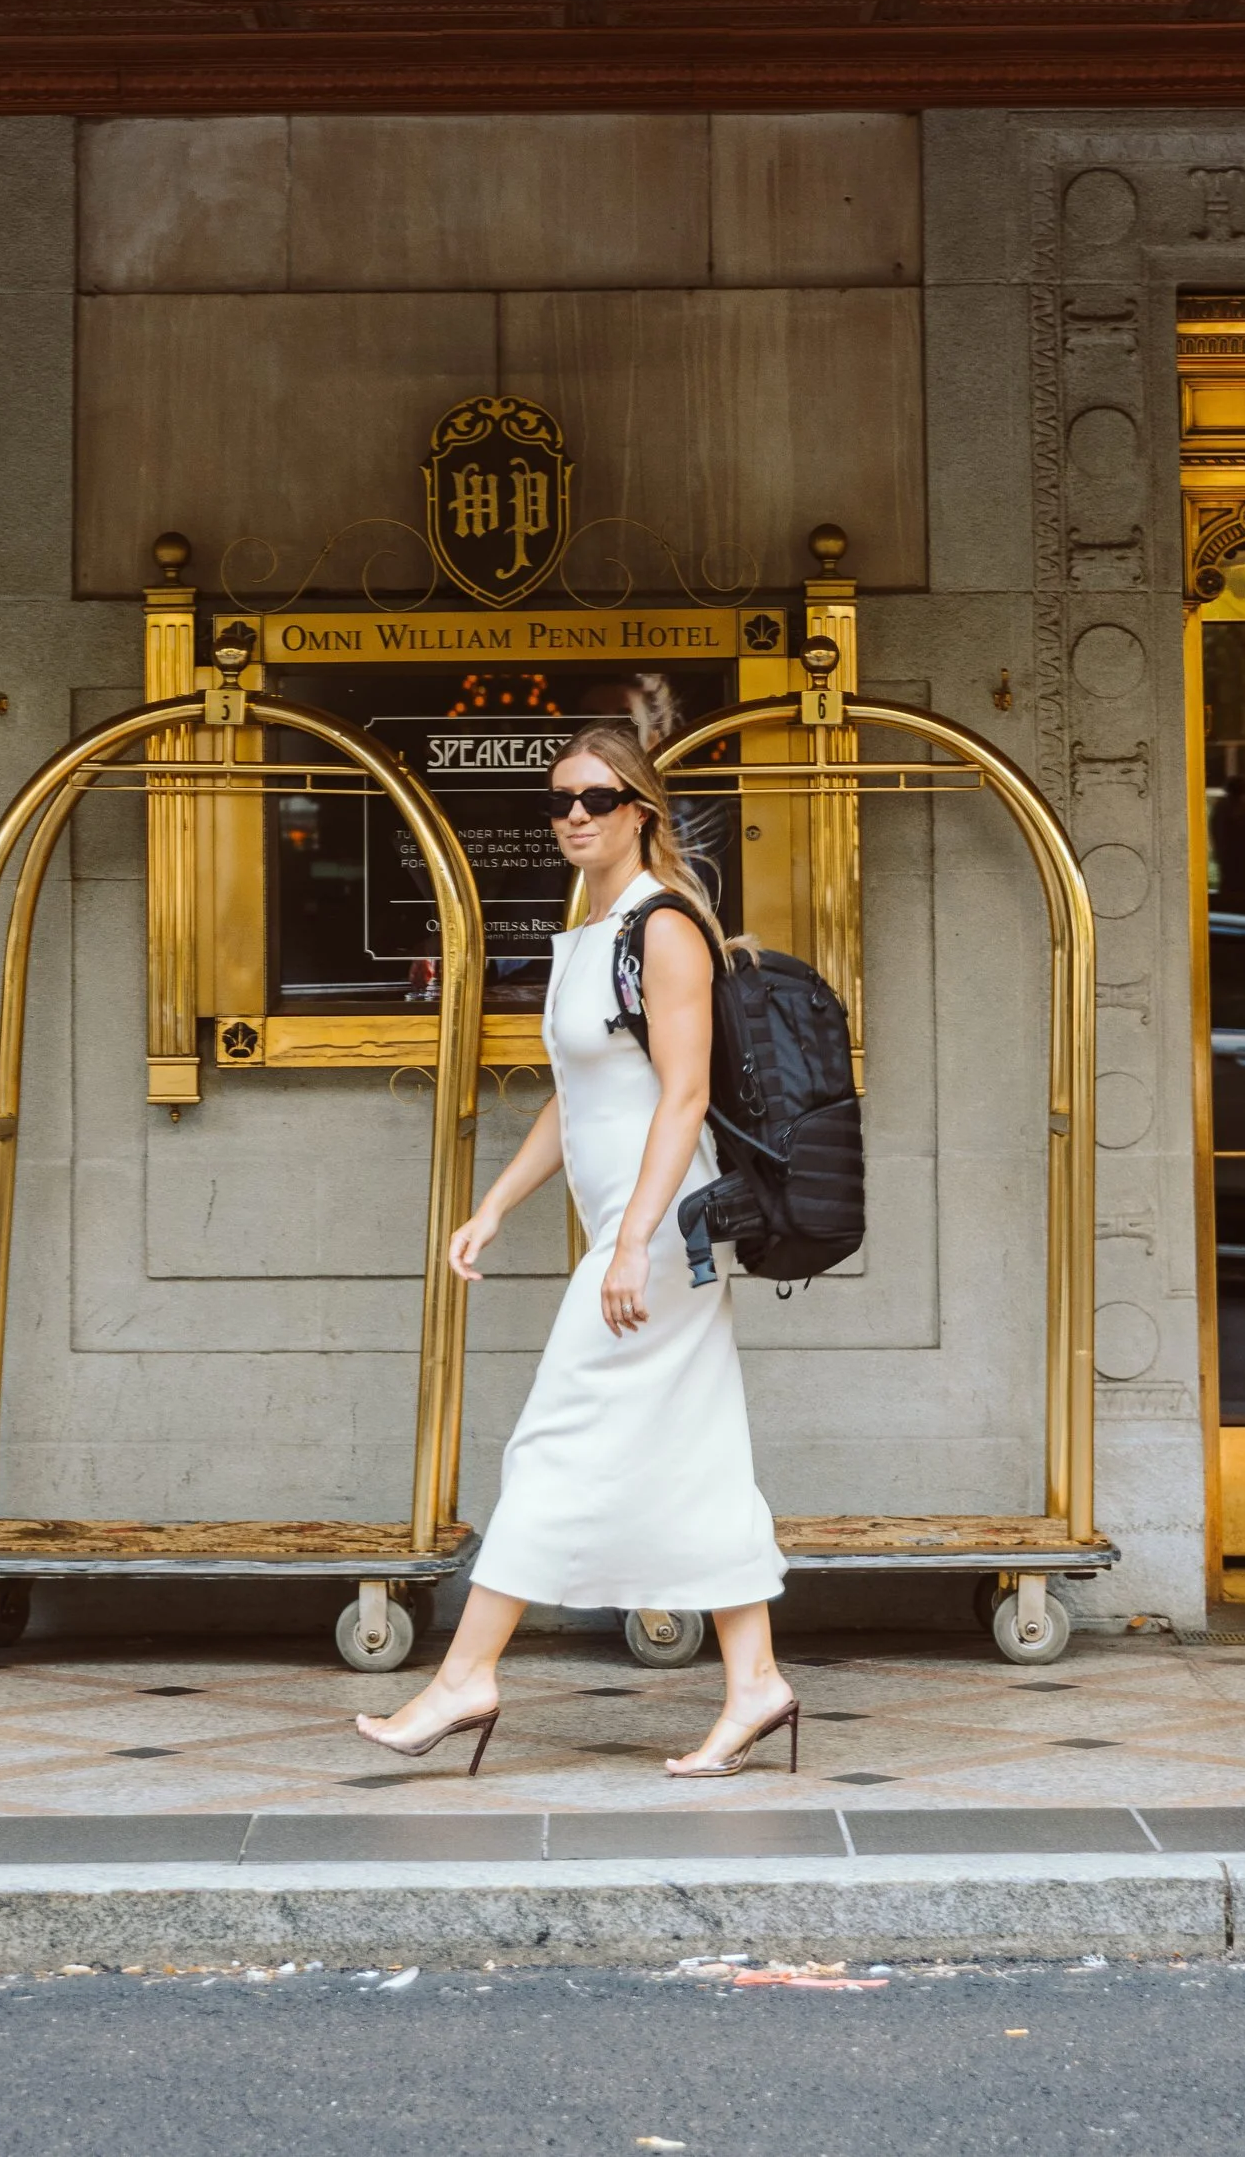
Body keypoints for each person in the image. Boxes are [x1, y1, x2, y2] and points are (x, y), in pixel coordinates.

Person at [356, 723, 792, 1780]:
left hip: (664, 1233)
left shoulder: (665, 928)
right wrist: (495, 1203)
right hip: (628, 1231)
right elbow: (584, 1096)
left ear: (642, 808)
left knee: (552, 1436)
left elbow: (683, 1095)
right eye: (560, 800)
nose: (575, 816)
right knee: (695, 1451)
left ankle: (465, 1676)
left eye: (598, 797)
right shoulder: (593, 929)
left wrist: (635, 1242)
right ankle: (755, 1683)